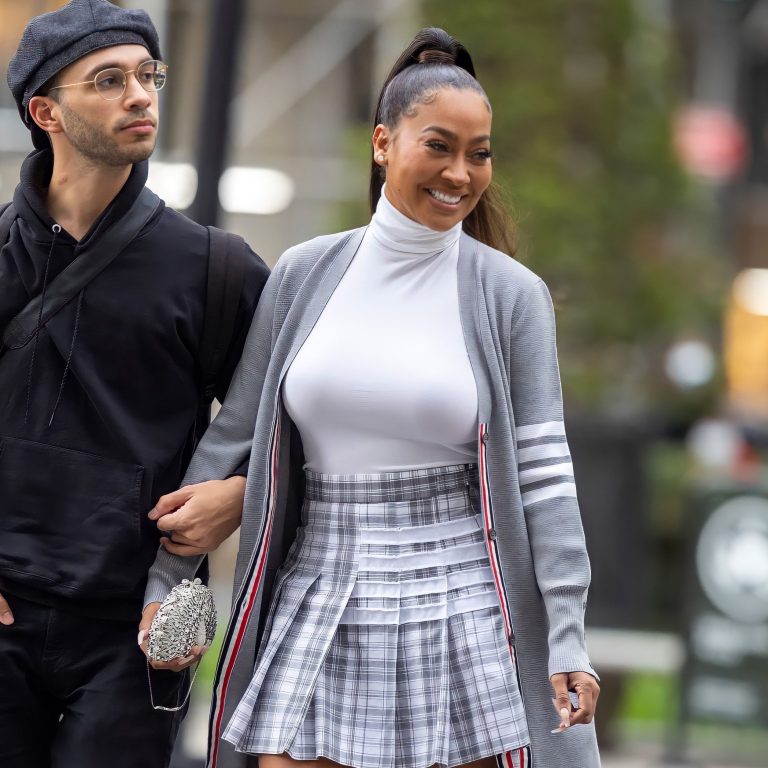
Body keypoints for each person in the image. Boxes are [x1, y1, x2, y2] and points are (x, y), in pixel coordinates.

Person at [143, 26, 600, 768]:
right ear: (384, 143)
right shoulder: (303, 274)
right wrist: (166, 581)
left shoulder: (512, 295)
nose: (461, 172)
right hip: (319, 586)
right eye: (439, 146)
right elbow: (234, 437)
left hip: (464, 603)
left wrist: (570, 634)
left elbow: (547, 479)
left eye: (479, 152)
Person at [0, 2, 269, 767]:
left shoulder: (217, 269)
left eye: (149, 75)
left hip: (139, 626)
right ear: (45, 111)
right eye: (109, 80)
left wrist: (241, 495)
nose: (141, 95)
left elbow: (299, 422)